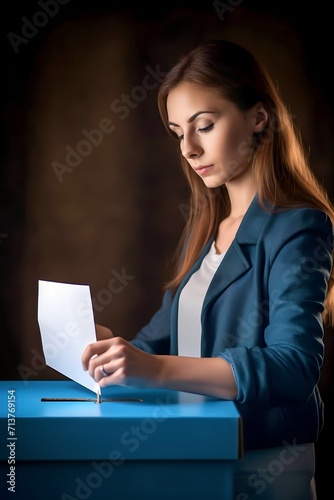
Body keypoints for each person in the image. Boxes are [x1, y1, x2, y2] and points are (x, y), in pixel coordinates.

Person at [81, 39, 334, 499]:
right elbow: (155, 347)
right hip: (193, 450)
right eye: (178, 132)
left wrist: (153, 369)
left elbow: (294, 366)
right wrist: (108, 351)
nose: (189, 149)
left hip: (262, 461)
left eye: (204, 125)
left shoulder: (300, 226)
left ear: (259, 118)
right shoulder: (205, 231)